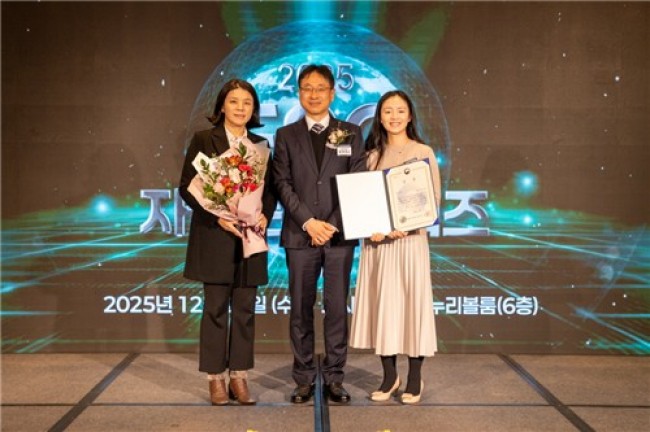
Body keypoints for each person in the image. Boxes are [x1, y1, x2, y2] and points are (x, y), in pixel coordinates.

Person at [179, 79, 276, 406]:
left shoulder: (261, 145)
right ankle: (215, 379)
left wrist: (265, 215)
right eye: (234, 101)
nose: (240, 108)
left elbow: (270, 190)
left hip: (250, 237)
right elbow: (187, 188)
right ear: (222, 106)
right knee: (216, 309)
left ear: (254, 109)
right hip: (215, 236)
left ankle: (239, 376)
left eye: (247, 103)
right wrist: (216, 216)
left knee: (245, 310)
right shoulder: (204, 140)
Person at [273, 65, 366, 404]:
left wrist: (331, 224)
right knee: (300, 309)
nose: (313, 94)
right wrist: (309, 222)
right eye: (307, 88)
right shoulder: (286, 134)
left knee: (336, 307)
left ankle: (334, 378)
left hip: (339, 236)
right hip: (300, 236)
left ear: (332, 93)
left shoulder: (350, 132)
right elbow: (281, 182)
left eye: (320, 88)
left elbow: (357, 182)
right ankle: (303, 378)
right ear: (299, 92)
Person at [349, 90, 442, 405]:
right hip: (380, 246)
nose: (394, 116)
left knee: (412, 306)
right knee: (383, 308)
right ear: (379, 116)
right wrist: (370, 228)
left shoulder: (423, 152)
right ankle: (389, 376)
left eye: (400, 110)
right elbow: (363, 202)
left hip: (411, 243)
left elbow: (433, 201)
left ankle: (415, 377)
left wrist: (410, 224)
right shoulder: (370, 156)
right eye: (388, 111)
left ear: (410, 115)